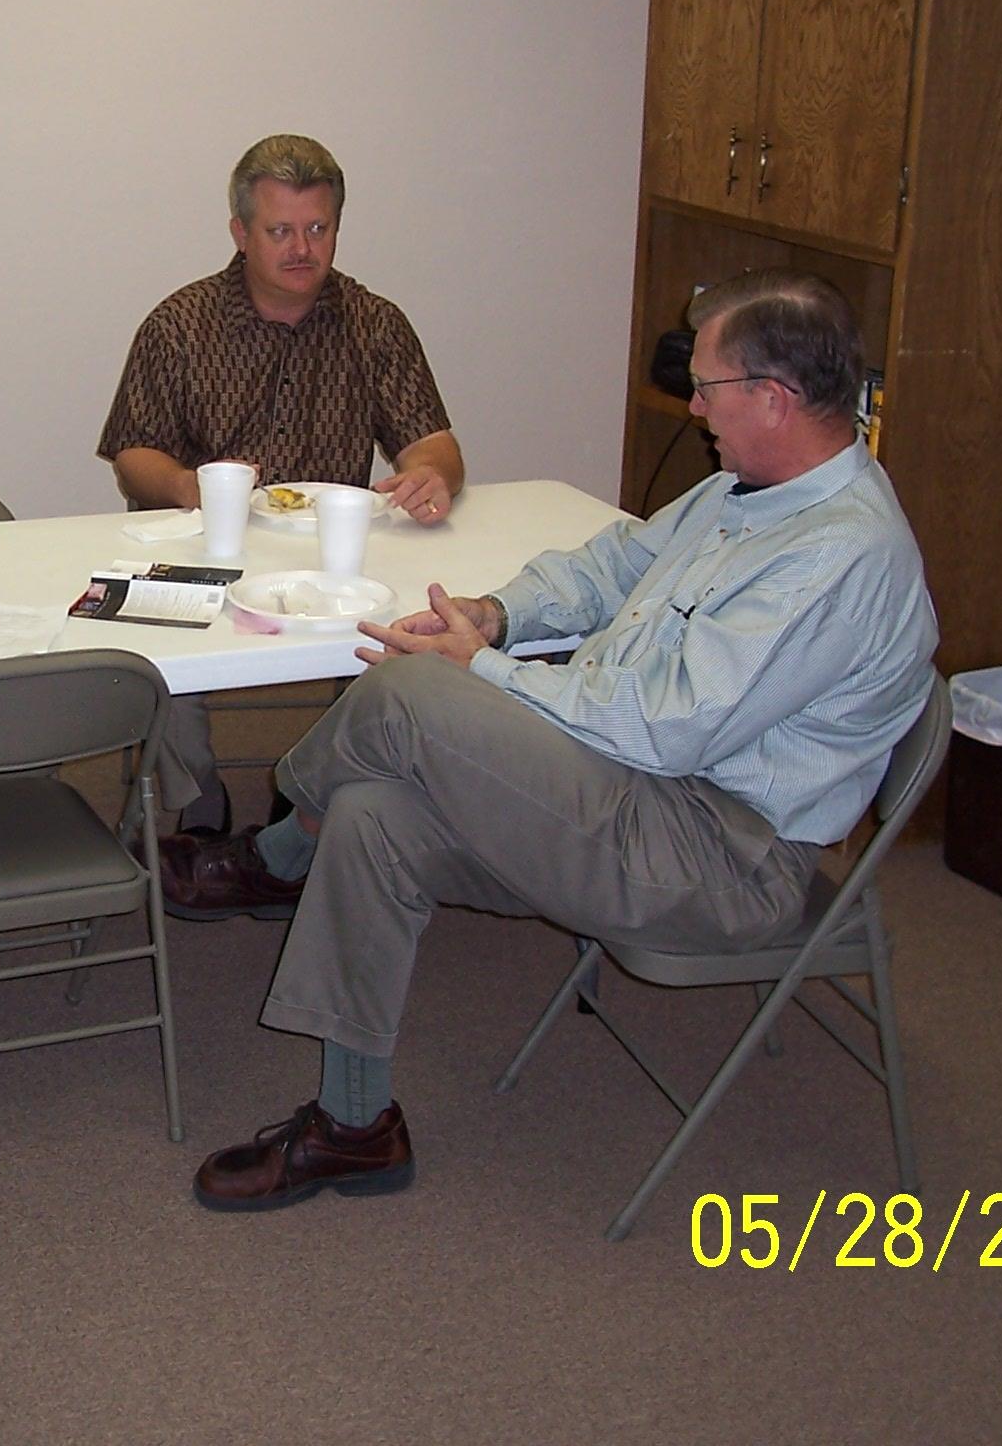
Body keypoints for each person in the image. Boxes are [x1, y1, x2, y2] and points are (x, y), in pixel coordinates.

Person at [178, 268, 938, 1211]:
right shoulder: (750, 492)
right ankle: (354, 1125)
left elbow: (667, 726)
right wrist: (494, 617)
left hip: (719, 856)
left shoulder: (840, 554)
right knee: (374, 811)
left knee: (411, 694)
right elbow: (614, 565)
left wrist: (481, 672)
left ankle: (275, 853)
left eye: (708, 387)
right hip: (631, 793)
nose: (694, 407)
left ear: (775, 400)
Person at [97, 133, 466, 840]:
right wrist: (183, 484)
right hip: (208, 545)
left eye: (318, 229)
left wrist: (432, 475)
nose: (302, 248)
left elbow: (433, 442)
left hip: (333, 556)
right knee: (151, 645)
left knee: (411, 634)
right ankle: (196, 789)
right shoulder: (180, 324)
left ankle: (314, 794)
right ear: (241, 233)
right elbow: (131, 452)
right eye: (280, 231)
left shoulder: (374, 323)